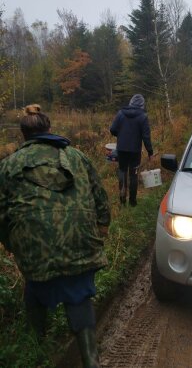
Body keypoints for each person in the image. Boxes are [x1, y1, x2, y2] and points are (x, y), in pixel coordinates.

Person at [0, 104, 110, 368]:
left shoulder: (8, 166)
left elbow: (1, 214)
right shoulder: (77, 157)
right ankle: (91, 360)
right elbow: (101, 201)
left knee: (36, 288)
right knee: (79, 294)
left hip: (34, 252)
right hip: (81, 246)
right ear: (49, 129)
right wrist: (101, 230)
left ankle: (37, 347)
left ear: (23, 135)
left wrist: (12, 245)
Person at [110, 94, 153, 207]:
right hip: (135, 151)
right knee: (133, 175)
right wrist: (150, 152)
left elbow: (112, 129)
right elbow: (146, 136)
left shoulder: (120, 113)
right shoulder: (143, 116)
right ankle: (132, 202)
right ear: (142, 105)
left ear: (131, 103)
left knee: (122, 171)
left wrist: (120, 135)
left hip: (122, 149)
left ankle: (122, 200)